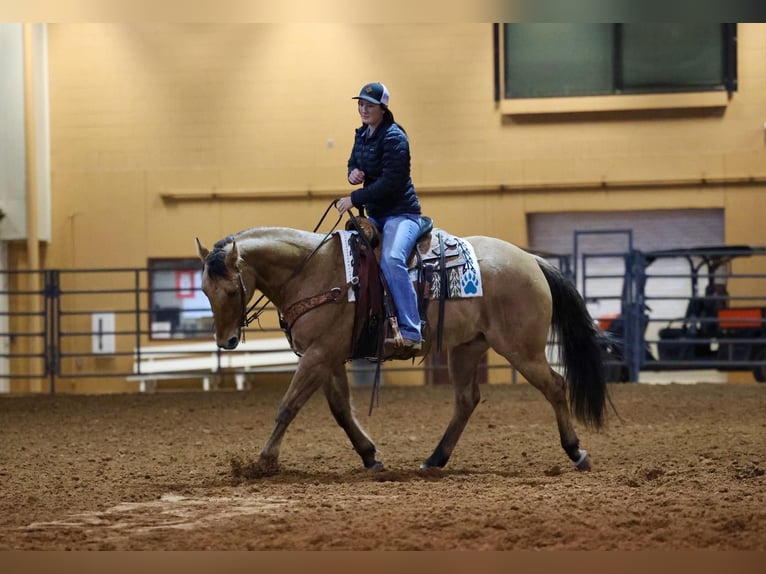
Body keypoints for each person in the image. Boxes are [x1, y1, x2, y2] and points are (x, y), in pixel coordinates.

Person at [336, 82, 423, 352]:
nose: (363, 109)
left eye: (369, 105)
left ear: (383, 109)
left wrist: (354, 198)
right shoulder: (362, 135)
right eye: (360, 104)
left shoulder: (395, 138)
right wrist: (353, 173)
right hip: (376, 216)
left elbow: (390, 184)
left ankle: (411, 331)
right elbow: (354, 162)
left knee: (392, 259)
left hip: (402, 214)